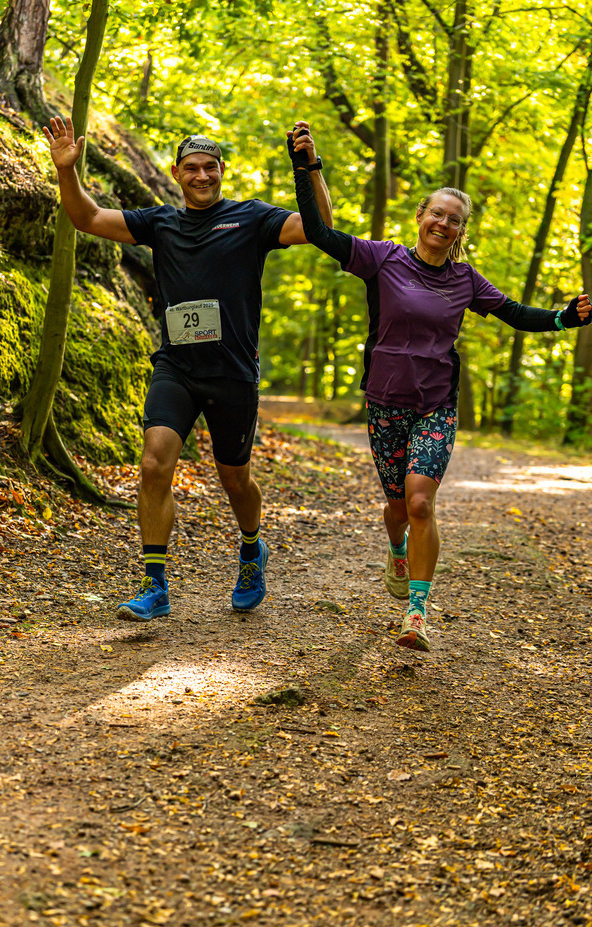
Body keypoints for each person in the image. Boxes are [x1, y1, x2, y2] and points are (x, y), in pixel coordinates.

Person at [287, 124, 592, 652]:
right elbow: (317, 231)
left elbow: (518, 315)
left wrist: (566, 318)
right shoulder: (382, 258)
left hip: (435, 405)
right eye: (437, 214)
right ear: (421, 217)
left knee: (422, 502)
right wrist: (306, 165)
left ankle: (417, 613)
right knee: (398, 509)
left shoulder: (466, 280)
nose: (443, 224)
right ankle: (397, 549)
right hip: (384, 404)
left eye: (454, 220)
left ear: (460, 231)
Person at [42, 117, 332, 621]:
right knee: (154, 463)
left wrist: (309, 167)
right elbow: (87, 218)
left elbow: (319, 227)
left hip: (233, 372)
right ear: (177, 173)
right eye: (192, 168)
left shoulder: (251, 219)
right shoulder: (161, 223)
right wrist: (67, 170)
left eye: (210, 167)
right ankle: (154, 584)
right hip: (176, 367)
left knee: (234, 479)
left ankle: (251, 550)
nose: (202, 175)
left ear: (222, 170)